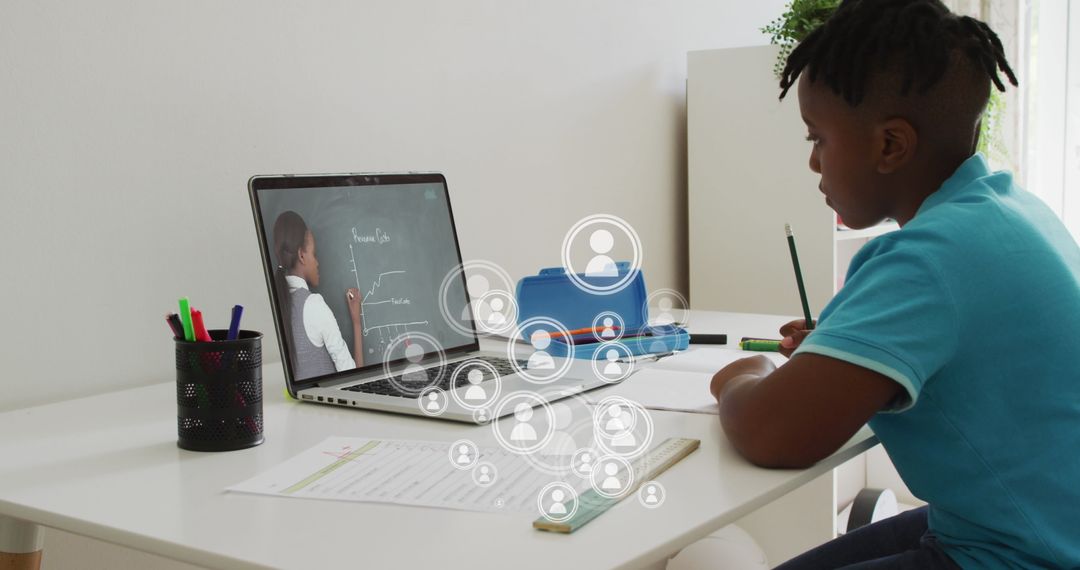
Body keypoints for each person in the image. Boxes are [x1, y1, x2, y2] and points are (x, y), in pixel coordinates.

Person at [708, 1, 1080, 568]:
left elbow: (771, 434)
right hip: (1029, 521)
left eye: (818, 139)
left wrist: (743, 375)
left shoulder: (927, 257)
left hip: (1023, 553)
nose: (813, 164)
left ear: (890, 146)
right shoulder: (1008, 211)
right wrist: (839, 353)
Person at [272, 211, 364, 380]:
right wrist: (357, 323)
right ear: (301, 255)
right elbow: (354, 378)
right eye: (314, 254)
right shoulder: (314, 305)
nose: (318, 262)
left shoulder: (277, 301)